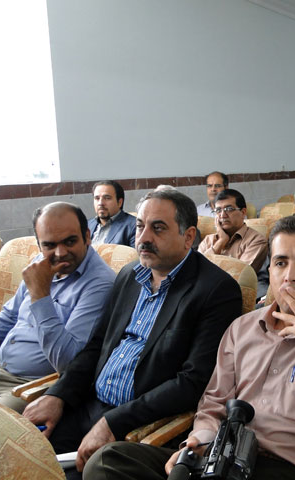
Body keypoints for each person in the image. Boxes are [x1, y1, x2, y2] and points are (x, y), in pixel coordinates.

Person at [83, 215, 295, 480]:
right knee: (108, 461)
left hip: (290, 468)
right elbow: (214, 403)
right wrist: (199, 441)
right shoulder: (242, 329)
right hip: (222, 456)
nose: (290, 275)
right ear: (271, 270)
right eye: (281, 263)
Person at [22, 189, 242, 478]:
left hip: (139, 424)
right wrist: (58, 395)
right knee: (24, 452)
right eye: (140, 226)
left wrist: (113, 422)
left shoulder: (215, 290)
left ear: (188, 236)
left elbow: (192, 382)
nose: (143, 238)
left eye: (158, 228)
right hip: (89, 405)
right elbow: (96, 347)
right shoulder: (129, 276)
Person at [0, 202, 115, 413]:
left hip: (30, 388)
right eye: (49, 245)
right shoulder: (39, 264)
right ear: (39, 245)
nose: (60, 253)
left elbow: (67, 362)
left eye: (70, 241)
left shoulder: (100, 284)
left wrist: (40, 295)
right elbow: (7, 319)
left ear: (87, 236)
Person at [198, 189, 268, 271]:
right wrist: (221, 241)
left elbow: (240, 274)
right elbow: (196, 270)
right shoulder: (208, 240)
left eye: (229, 209)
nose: (222, 215)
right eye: (218, 210)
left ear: (243, 212)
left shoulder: (256, 240)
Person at [88, 181, 136, 247]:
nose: (100, 203)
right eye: (97, 198)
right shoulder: (87, 225)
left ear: (119, 202)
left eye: (107, 198)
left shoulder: (134, 226)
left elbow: (135, 253)